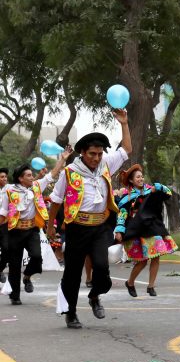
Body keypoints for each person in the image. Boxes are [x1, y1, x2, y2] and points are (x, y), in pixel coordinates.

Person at [47, 109, 131, 329]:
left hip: (100, 227)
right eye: (92, 154)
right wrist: (50, 227)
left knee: (102, 268)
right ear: (82, 153)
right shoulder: (70, 172)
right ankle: (71, 313)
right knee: (72, 273)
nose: (96, 158)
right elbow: (56, 200)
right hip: (76, 228)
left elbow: (127, 150)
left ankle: (95, 295)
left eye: (100, 154)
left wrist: (124, 123)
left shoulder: (105, 165)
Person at [0, 149, 71, 305]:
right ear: (20, 178)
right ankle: (15, 296)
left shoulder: (36, 186)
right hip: (15, 231)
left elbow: (51, 174)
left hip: (32, 229)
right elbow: (4, 211)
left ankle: (27, 276)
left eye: (32, 175)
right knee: (14, 264)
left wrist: (63, 159)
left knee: (37, 257)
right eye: (29, 175)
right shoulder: (9, 191)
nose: (33, 177)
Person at [117, 164, 177, 297]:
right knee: (143, 260)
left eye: (142, 176)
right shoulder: (127, 197)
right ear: (132, 180)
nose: (141, 179)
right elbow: (122, 214)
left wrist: (160, 187)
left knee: (156, 255)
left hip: (153, 227)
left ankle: (151, 286)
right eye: (138, 177)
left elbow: (168, 193)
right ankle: (130, 282)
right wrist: (119, 230)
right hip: (137, 229)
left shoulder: (151, 190)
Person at [0, 167, 9, 284]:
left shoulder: (9, 189)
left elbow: (26, 186)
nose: (5, 179)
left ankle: (0, 269)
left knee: (6, 249)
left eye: (5, 177)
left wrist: (39, 176)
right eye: (2, 177)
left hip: (4, 226)